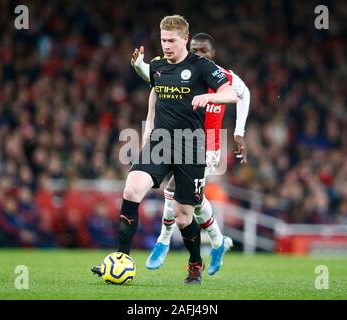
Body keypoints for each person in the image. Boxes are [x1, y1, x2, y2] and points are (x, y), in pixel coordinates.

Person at [92, 15, 238, 284]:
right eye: (163, 40)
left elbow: (231, 94)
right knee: (132, 188)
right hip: (160, 142)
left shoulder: (201, 66)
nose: (167, 45)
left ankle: (195, 264)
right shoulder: (158, 65)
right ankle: (120, 259)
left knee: (183, 216)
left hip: (191, 147)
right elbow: (155, 90)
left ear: (185, 39)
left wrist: (209, 95)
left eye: (172, 40)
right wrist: (148, 124)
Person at [130, 32, 250, 275]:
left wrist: (239, 132)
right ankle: (218, 242)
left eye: (204, 51)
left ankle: (163, 240)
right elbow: (155, 83)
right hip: (179, 143)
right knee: (193, 202)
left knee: (174, 191)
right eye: (195, 51)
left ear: (212, 54)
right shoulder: (182, 74)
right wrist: (140, 66)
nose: (198, 55)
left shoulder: (222, 78)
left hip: (207, 149)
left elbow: (243, 93)